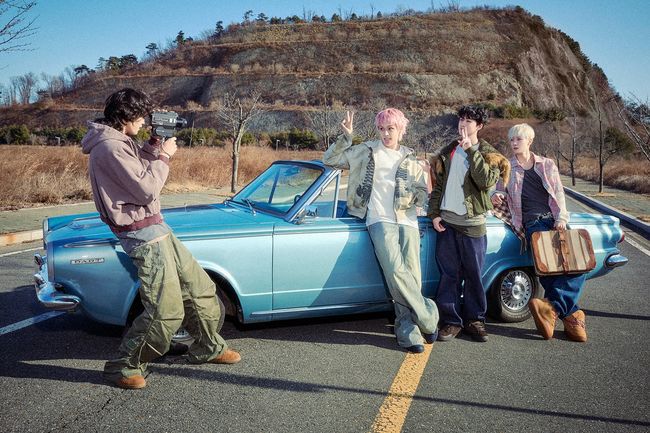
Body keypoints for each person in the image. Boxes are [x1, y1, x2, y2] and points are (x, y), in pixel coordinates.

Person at [81, 88, 241, 390]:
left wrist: (153, 146)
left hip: (156, 227)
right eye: (141, 116)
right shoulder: (109, 147)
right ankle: (124, 366)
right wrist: (165, 155)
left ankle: (208, 346)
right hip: (142, 234)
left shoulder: (121, 142)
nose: (145, 122)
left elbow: (137, 171)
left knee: (200, 289)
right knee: (166, 310)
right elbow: (146, 189)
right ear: (126, 116)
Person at [323, 109, 439, 353]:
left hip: (407, 220)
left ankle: (409, 332)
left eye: (391, 129)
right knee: (395, 272)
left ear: (401, 130)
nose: (386, 134)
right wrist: (346, 137)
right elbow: (330, 160)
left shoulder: (410, 157)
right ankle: (428, 317)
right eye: (382, 129)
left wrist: (416, 197)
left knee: (412, 277)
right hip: (379, 219)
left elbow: (421, 190)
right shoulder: (366, 151)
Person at [492, 123, 587, 342]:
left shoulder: (547, 164)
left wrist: (561, 218)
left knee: (578, 265)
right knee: (548, 270)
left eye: (519, 139)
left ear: (529, 141)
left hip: (554, 220)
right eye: (512, 140)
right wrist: (495, 196)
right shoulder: (506, 168)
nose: (514, 143)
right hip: (533, 224)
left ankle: (552, 308)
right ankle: (572, 316)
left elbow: (559, 193)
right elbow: (497, 191)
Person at [428, 105, 509, 342]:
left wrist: (472, 151)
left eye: (469, 121)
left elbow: (485, 182)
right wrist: (434, 214)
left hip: (473, 223)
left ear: (479, 126)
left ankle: (475, 320)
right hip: (447, 223)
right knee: (449, 275)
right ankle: (451, 321)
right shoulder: (448, 152)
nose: (463, 124)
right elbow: (439, 187)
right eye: (461, 119)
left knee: (474, 275)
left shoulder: (489, 154)